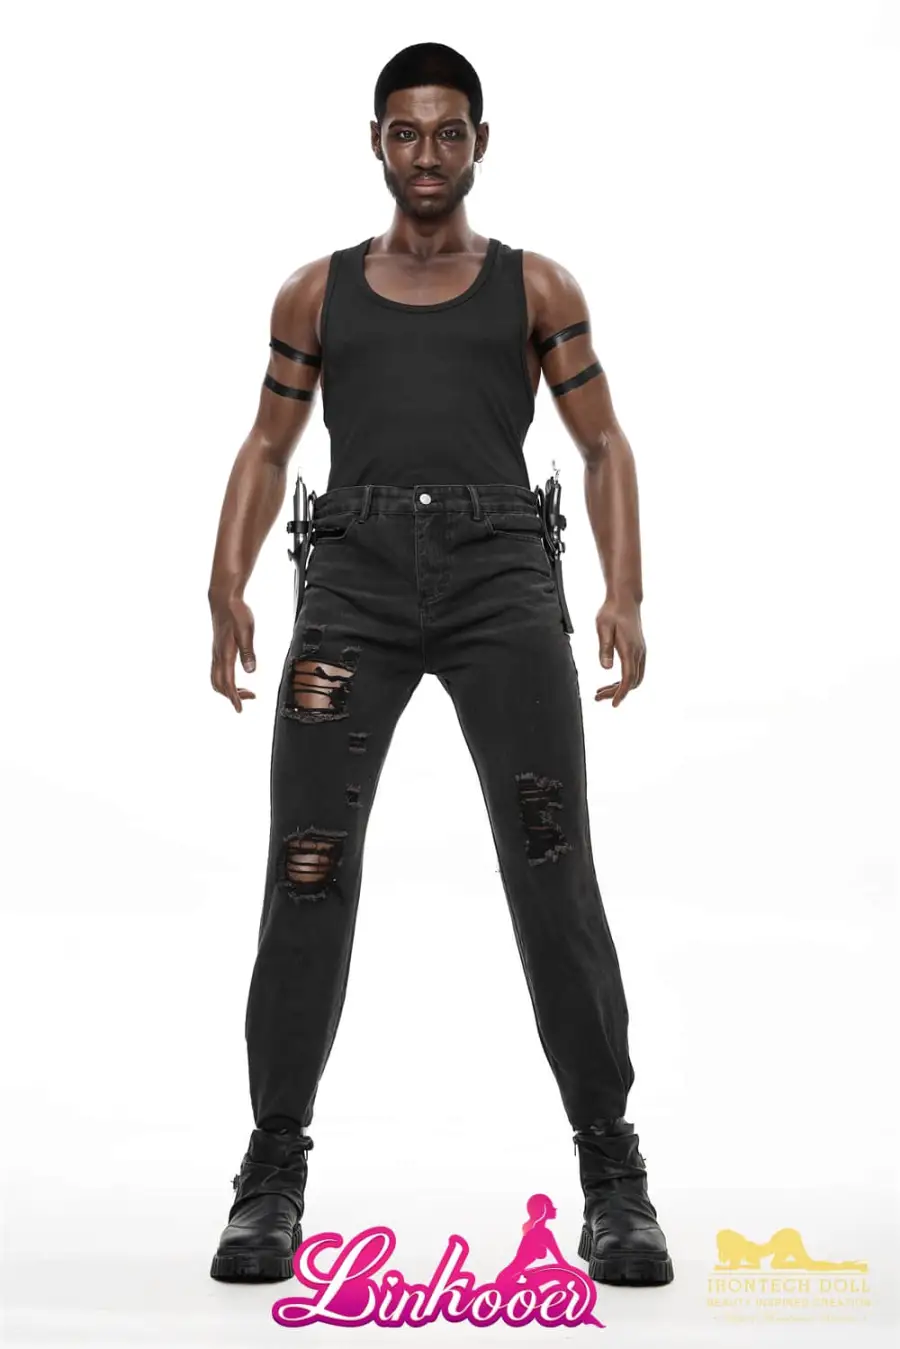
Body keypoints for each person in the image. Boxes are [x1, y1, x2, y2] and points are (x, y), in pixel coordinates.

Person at [206, 41, 673, 1289]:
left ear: (480, 143)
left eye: (448, 132)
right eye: (405, 132)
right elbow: (269, 443)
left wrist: (623, 589)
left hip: (500, 576)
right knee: (308, 867)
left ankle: (614, 1174)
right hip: (350, 580)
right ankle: (271, 1168)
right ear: (376, 141)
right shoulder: (316, 292)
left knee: (550, 861)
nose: (427, 153)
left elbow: (604, 442)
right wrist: (224, 580)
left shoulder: (535, 286)